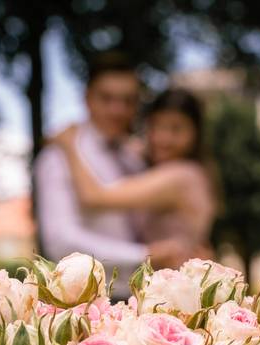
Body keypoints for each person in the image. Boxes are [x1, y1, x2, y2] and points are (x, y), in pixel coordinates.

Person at [34, 52, 190, 299]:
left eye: (128, 101)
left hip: (147, 295)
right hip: (91, 299)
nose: (118, 110)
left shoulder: (134, 157)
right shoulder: (59, 156)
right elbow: (60, 240)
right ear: (87, 98)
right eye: (106, 98)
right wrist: (142, 255)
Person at [51, 88, 218, 262]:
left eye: (176, 129)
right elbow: (129, 145)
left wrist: (69, 146)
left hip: (175, 283)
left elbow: (93, 196)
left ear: (195, 133)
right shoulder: (192, 171)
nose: (162, 138)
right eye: (156, 126)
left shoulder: (182, 177)